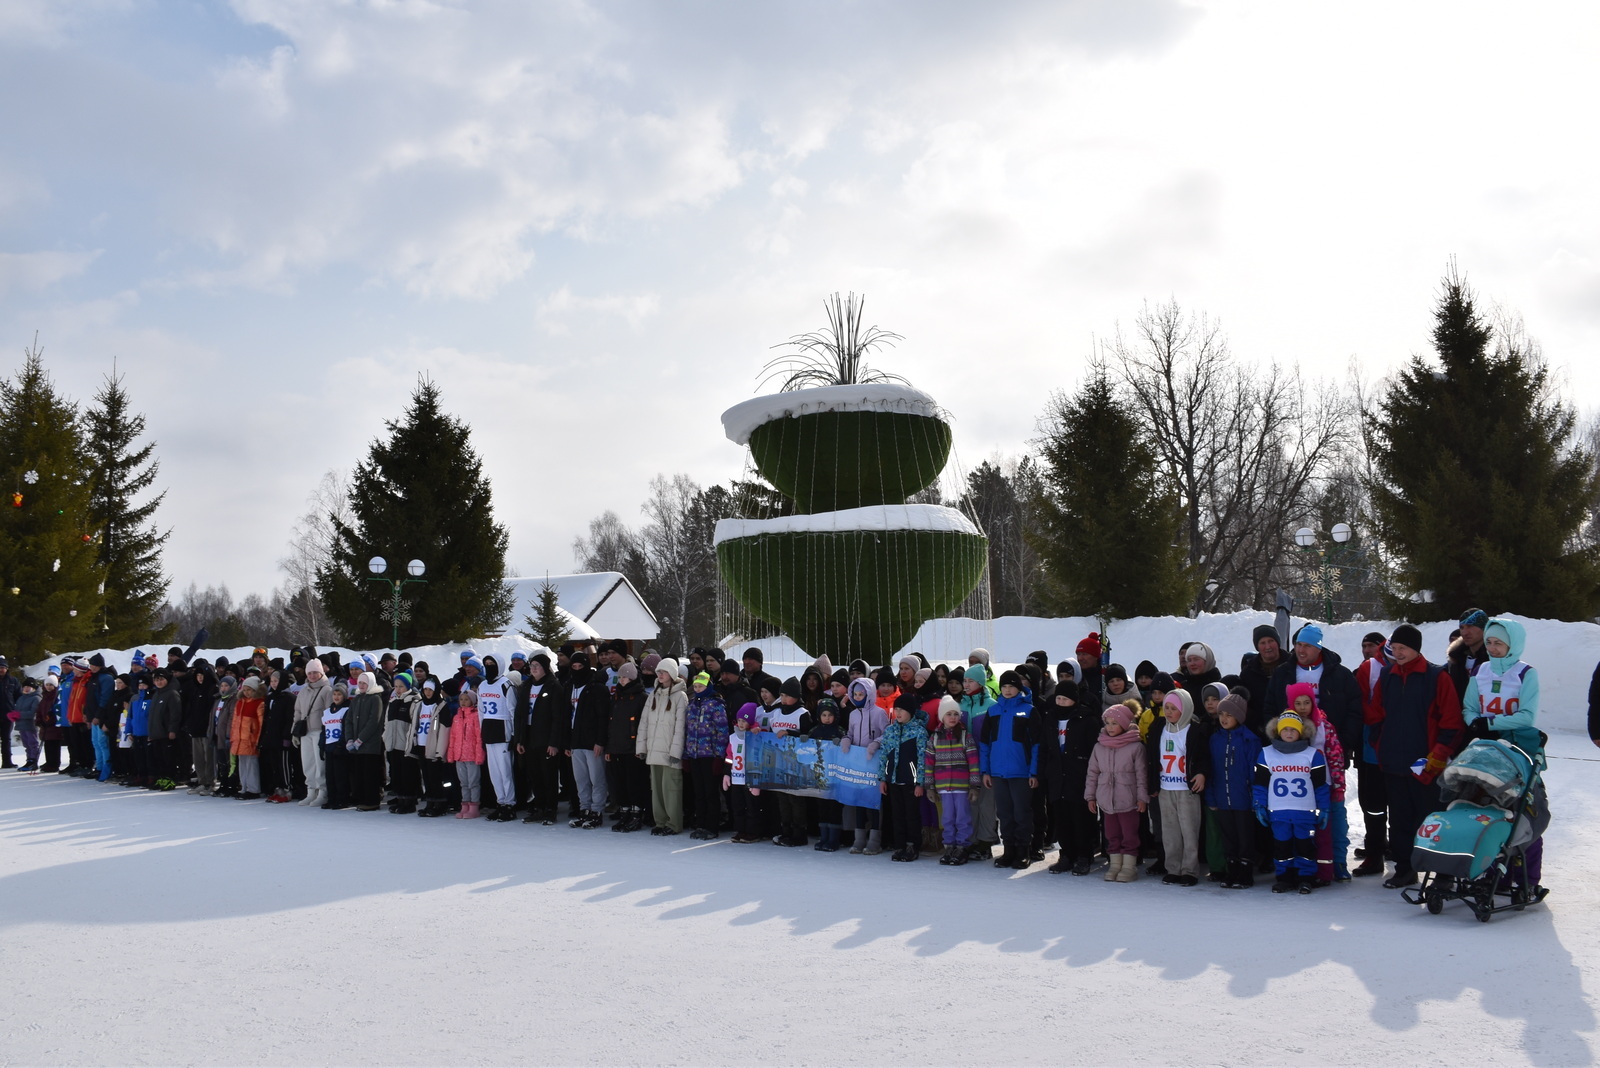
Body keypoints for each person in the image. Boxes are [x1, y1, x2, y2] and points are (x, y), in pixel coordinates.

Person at [1368, 623, 1463, 889]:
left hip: (1427, 765)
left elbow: (1452, 722)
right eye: (1395, 648)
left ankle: (1443, 874)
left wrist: (1438, 756)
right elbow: (1376, 714)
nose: (1398, 653)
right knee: (1399, 819)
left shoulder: (1437, 676)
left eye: (1403, 648)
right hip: (1393, 763)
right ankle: (1405, 869)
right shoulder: (1387, 675)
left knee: (1432, 820)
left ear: (1416, 649)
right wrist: (1380, 744)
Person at [1461, 616, 1546, 891]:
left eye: (1499, 643)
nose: (1493, 648)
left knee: (1523, 811)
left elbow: (1527, 715)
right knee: (1488, 811)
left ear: (1513, 645)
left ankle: (1526, 879)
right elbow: (1469, 706)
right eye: (1489, 642)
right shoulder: (1481, 671)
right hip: (1486, 747)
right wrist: (1474, 722)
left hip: (1517, 747)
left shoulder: (1525, 673)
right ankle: (1492, 873)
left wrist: (1490, 723)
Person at [1254, 710, 1330, 894]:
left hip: (1304, 812)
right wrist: (1259, 805)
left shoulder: (1313, 755)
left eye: (1293, 729)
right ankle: (1284, 878)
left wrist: (1324, 808)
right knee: (1282, 847)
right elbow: (1260, 784)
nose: (1289, 733)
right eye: (1285, 729)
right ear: (1278, 731)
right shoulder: (1266, 754)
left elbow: (1320, 785)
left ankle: (1305, 878)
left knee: (1305, 847)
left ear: (1301, 732)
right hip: (1278, 812)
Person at [1265, 622, 1362, 764]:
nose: (1301, 650)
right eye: (1298, 644)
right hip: (1290, 748)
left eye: (1307, 646)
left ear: (1318, 648)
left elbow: (1355, 710)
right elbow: (1270, 706)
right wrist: (1278, 737)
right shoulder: (1282, 673)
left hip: (1329, 749)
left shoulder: (1341, 675)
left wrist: (1343, 741)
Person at [979, 670, 1039, 870]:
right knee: (1004, 813)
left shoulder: (1029, 711)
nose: (1007, 690)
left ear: (1019, 688)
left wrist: (1033, 772)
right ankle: (1009, 851)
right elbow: (985, 743)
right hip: (998, 772)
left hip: (1021, 772)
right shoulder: (993, 711)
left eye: (1011, 686)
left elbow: (1036, 745)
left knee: (1021, 813)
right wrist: (986, 771)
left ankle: (1023, 851)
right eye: (1004, 686)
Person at [1287, 682, 1347, 884]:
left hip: (1323, 785)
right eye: (1297, 703)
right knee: (1301, 831)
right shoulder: (1286, 727)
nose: (1302, 707)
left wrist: (1338, 785)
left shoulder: (1324, 727)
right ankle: (1302, 869)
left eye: (1306, 702)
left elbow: (1336, 757)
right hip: (1296, 789)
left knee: (1329, 829)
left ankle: (1332, 867)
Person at [1149, 689, 1209, 886]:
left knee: (1189, 830)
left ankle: (1189, 870)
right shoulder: (1159, 727)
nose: (1168, 711)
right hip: (1165, 787)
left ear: (1185, 709)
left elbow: (1203, 757)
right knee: (1170, 831)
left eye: (1174, 708)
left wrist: (1201, 773)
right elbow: (1151, 757)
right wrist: (1152, 783)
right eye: (1166, 707)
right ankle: (1173, 868)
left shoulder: (1195, 730)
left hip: (1187, 789)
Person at [1085, 703, 1148, 883]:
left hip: (1128, 799)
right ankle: (1114, 865)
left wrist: (1142, 798)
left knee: (1129, 834)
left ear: (1125, 724)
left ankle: (1128, 867)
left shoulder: (1135, 747)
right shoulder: (1100, 746)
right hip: (1107, 800)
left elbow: (1142, 774)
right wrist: (1090, 796)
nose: (1110, 727)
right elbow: (1092, 773)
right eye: (1107, 723)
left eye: (1115, 723)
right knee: (1111, 833)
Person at [1205, 694, 1262, 889]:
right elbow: (1211, 771)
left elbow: (1255, 773)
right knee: (1228, 836)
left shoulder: (1249, 740)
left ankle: (1245, 873)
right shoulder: (1215, 739)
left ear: (1239, 716)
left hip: (1243, 800)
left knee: (1245, 838)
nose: (1224, 718)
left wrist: (1256, 799)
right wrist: (1211, 797)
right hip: (1222, 799)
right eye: (1221, 714)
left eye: (1229, 715)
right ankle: (1232, 871)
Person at [1044, 679, 1100, 876]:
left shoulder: (1086, 719)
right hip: (1057, 776)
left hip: (1079, 776)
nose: (1061, 702)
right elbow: (1045, 747)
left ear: (1074, 700)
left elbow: (1094, 750)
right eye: (1058, 698)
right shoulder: (1050, 718)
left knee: (1081, 818)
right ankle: (1067, 854)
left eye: (1065, 699)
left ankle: (1084, 855)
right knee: (1062, 818)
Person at [1350, 631, 1390, 877]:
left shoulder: (1388, 669)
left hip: (1389, 748)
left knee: (1392, 802)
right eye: (1363, 645)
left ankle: (1391, 846)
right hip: (1367, 748)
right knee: (1370, 803)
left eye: (1371, 645)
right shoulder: (1362, 671)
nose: (1367, 650)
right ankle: (1376, 846)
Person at [924, 695, 979, 865]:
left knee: (962, 817)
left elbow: (973, 762)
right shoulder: (935, 737)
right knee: (947, 817)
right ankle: (949, 845)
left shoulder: (964, 736)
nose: (953, 717)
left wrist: (974, 785)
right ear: (942, 716)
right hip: (943, 786)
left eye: (956, 714)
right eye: (949, 714)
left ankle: (962, 847)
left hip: (961, 785)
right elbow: (929, 763)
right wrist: (929, 787)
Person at [560, 652, 611, 829]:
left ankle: (597, 811)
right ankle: (585, 809)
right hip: (575, 741)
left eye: (580, 667)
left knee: (597, 778)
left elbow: (603, 717)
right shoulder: (569, 686)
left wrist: (600, 741)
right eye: (573, 667)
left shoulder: (597, 688)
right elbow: (565, 716)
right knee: (581, 779)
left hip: (592, 741)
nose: (577, 670)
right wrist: (566, 742)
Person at [637, 658, 687, 837]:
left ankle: (673, 823)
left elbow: (680, 727)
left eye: (663, 672)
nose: (659, 675)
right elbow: (644, 722)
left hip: (669, 752)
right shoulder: (654, 695)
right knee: (656, 789)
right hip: (654, 750)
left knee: (671, 789)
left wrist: (676, 752)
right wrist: (641, 747)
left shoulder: (680, 696)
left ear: (672, 674)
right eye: (658, 672)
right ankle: (660, 821)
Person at [878, 696, 929, 863]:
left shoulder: (919, 732)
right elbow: (883, 755)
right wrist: (882, 778)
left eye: (902, 710)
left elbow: (922, 759)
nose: (898, 713)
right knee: (897, 814)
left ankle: (912, 845)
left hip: (911, 782)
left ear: (911, 711)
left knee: (911, 815)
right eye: (896, 709)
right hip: (893, 780)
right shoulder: (890, 730)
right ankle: (899, 845)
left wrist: (920, 782)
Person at [840, 677, 886, 856]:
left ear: (869, 694)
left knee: (873, 802)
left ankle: (875, 840)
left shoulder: (879, 713)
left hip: (873, 763)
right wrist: (846, 739)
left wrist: (876, 743)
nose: (858, 697)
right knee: (858, 802)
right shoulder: (853, 714)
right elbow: (850, 732)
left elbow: (887, 733)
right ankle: (859, 838)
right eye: (855, 694)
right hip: (857, 764)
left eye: (862, 694)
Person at [683, 671, 729, 841]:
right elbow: (687, 731)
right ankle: (700, 823)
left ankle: (712, 826)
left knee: (710, 792)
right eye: (695, 686)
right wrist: (686, 754)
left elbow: (722, 731)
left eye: (700, 686)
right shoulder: (692, 705)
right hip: (694, 754)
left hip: (709, 755)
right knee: (699, 792)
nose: (697, 689)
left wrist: (719, 756)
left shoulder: (716, 705)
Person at [605, 662, 649, 832]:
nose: (622, 680)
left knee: (634, 783)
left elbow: (644, 725)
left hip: (633, 748)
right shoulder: (616, 697)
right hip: (616, 747)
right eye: (620, 677)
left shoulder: (641, 697)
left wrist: (641, 747)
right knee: (620, 783)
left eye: (625, 677)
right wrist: (609, 747)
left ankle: (636, 814)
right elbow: (610, 724)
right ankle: (624, 812)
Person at [293, 658, 332, 808]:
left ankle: (323, 792)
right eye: (309, 673)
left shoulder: (327, 690)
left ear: (321, 672)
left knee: (320, 763)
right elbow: (297, 711)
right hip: (306, 732)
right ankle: (311, 790)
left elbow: (329, 712)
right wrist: (295, 732)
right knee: (308, 762)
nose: (312, 676)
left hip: (319, 731)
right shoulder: (304, 691)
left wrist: (326, 731)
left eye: (315, 672)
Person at [808, 698, 845, 851]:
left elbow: (848, 748)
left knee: (834, 807)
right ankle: (823, 837)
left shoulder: (840, 731)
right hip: (820, 775)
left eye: (830, 715)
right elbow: (806, 749)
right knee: (822, 807)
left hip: (835, 776)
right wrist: (804, 740)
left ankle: (834, 839)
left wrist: (841, 742)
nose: (827, 718)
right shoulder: (814, 731)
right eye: (824, 715)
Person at [382, 672, 422, 814]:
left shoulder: (414, 701)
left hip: (406, 744)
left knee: (407, 774)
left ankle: (409, 801)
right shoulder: (393, 702)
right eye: (396, 686)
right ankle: (400, 799)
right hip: (393, 744)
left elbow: (414, 724)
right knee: (396, 773)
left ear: (408, 686)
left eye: (401, 686)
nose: (398, 689)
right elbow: (387, 723)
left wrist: (410, 743)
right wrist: (386, 738)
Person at [1238, 624, 1288, 736]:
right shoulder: (1248, 672)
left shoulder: (1292, 664)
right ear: (1257, 647)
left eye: (1271, 641)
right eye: (1262, 643)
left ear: (1278, 642)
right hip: (1260, 732)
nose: (1267, 646)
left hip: (1291, 728)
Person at [723, 702, 763, 843]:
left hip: (749, 778)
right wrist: (727, 774)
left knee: (752, 807)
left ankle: (753, 832)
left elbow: (759, 757)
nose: (741, 724)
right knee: (738, 806)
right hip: (736, 778)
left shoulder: (755, 736)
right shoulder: (733, 737)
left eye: (744, 721)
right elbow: (729, 757)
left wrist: (757, 780)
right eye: (739, 720)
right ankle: (740, 830)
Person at [446, 685, 486, 819]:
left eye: (466, 699)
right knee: (463, 782)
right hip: (459, 756)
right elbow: (453, 737)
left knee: (473, 782)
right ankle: (465, 805)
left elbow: (479, 737)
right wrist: (451, 754)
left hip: (471, 756)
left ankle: (474, 807)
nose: (463, 702)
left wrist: (479, 755)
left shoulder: (475, 716)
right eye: (461, 699)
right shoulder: (457, 717)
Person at [230, 676, 266, 800]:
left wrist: (258, 740)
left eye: (249, 690)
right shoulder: (240, 702)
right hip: (240, 739)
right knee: (242, 764)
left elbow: (261, 724)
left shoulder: (259, 703)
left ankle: (253, 789)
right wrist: (233, 737)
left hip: (251, 739)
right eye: (244, 690)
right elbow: (235, 722)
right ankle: (244, 787)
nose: (246, 692)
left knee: (251, 764)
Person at [1447, 607, 1490, 705]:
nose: (1464, 632)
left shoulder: (1497, 660)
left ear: (1484, 628)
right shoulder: (1455, 659)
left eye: (1470, 626)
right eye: (1462, 627)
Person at [11, 676, 40, 772]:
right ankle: (29, 760)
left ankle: (33, 761)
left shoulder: (36, 698)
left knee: (32, 743)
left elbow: (32, 713)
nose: (26, 689)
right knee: (26, 744)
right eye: (25, 687)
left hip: (30, 725)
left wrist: (19, 714)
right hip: (21, 725)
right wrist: (13, 715)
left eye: (29, 687)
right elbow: (17, 709)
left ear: (34, 688)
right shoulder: (21, 698)